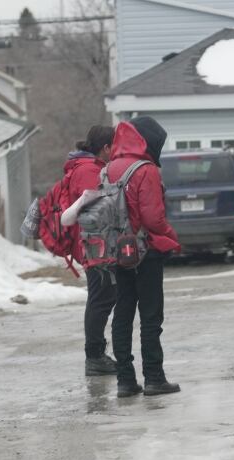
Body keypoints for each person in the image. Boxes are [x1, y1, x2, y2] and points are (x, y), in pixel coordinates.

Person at [105, 116, 182, 398]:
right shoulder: (145, 169)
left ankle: (125, 380)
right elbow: (152, 218)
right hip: (143, 251)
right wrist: (170, 235)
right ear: (149, 141)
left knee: (122, 314)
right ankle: (154, 377)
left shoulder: (110, 167)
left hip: (115, 251)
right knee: (150, 315)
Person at [65, 125, 118, 376]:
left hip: (93, 245)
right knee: (101, 299)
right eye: (114, 147)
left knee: (102, 298)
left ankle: (96, 355)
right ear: (106, 148)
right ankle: (95, 357)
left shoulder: (86, 167)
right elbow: (95, 211)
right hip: (95, 246)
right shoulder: (89, 171)